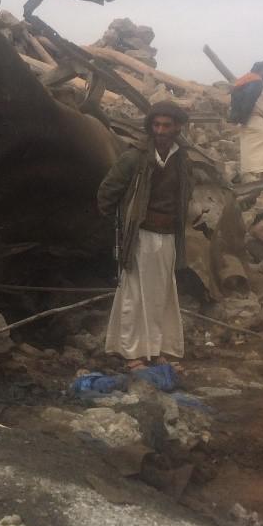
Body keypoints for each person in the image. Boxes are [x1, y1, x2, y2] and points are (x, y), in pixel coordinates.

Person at [97, 101, 193, 370]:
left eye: (167, 125)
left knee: (162, 293)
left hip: (168, 236)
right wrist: (123, 222)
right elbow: (107, 191)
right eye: (156, 125)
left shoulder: (182, 159)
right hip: (141, 236)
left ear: (177, 128)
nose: (161, 131)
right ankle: (131, 353)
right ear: (151, 127)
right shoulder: (135, 157)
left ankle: (156, 349)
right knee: (135, 293)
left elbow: (186, 193)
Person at [229, 59, 263, 180]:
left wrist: (238, 119)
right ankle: (262, 175)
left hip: (244, 118)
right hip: (251, 117)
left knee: (248, 146)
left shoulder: (247, 78)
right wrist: (243, 118)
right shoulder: (257, 81)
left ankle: (248, 173)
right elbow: (248, 100)